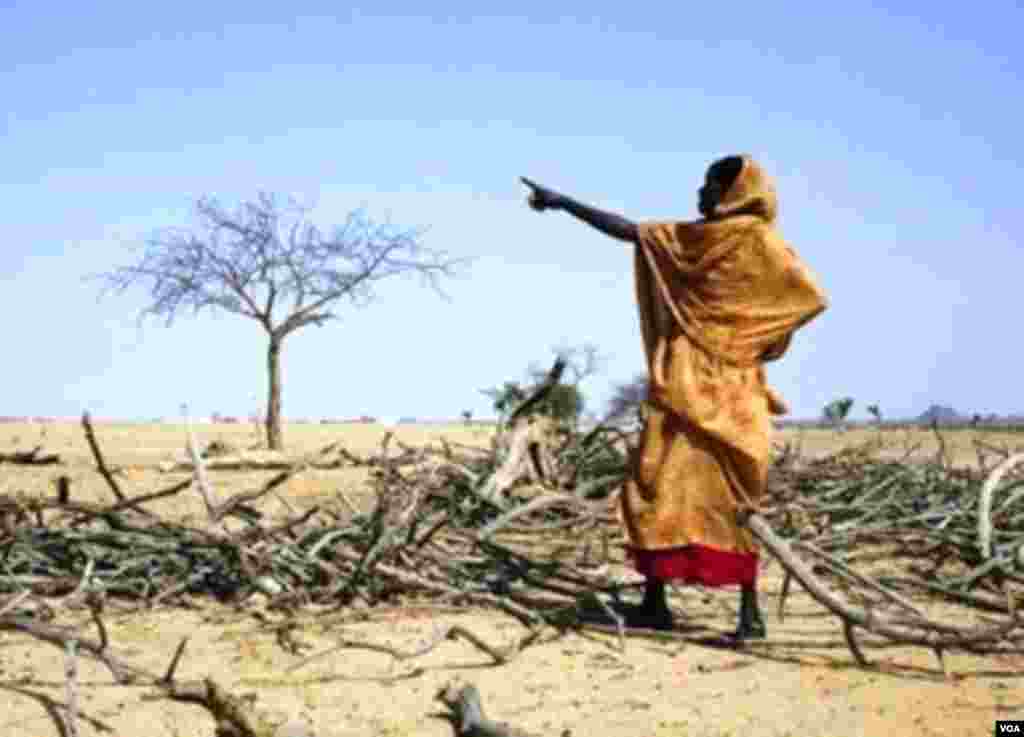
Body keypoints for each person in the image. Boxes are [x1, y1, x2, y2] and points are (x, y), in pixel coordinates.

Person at [521, 155, 827, 640]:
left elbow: (807, 297)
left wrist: (747, 336)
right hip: (710, 387)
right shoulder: (702, 237)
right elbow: (635, 233)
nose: (700, 194)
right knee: (661, 486)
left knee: (725, 495)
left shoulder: (750, 239)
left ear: (733, 192)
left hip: (711, 381)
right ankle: (658, 601)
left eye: (709, 187)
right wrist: (565, 204)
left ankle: (744, 612)